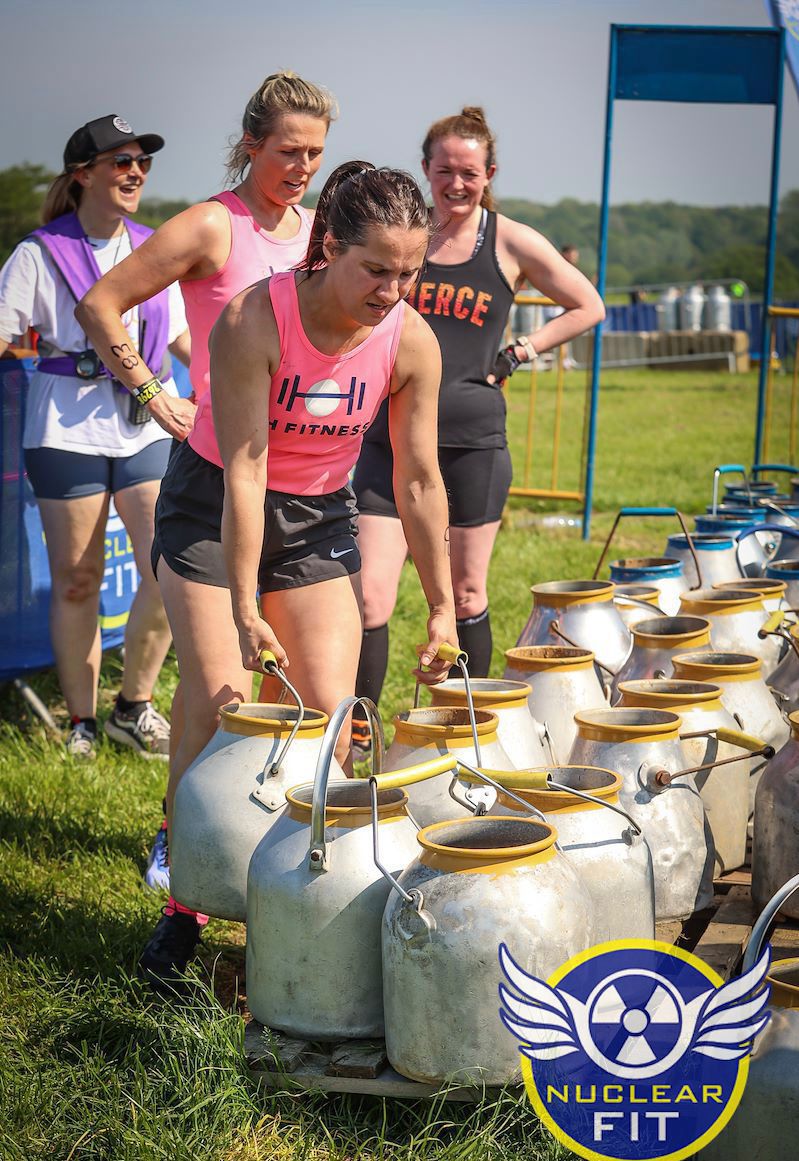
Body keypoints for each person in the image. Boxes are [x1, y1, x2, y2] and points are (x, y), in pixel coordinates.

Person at [85, 159, 457, 988]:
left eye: (409, 271)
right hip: (214, 505)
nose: (392, 288)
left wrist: (441, 609)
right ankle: (185, 906)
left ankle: (302, 909)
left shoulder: (411, 340)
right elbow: (246, 469)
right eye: (376, 269)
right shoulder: (256, 317)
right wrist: (246, 602)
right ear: (330, 245)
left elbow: (420, 479)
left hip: (317, 521)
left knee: (327, 719)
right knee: (228, 707)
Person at [78, 71, 335, 893]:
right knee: (220, 689)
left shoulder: (322, 233)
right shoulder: (208, 227)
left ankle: (266, 840)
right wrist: (154, 394)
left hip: (299, 491)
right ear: (251, 142)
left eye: (316, 154)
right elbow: (101, 304)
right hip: (214, 482)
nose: (302, 167)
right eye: (288, 150)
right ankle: (179, 836)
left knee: (291, 688)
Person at [351, 108, 605, 755]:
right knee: (370, 592)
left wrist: (525, 346)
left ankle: (470, 736)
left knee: (465, 591)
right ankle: (357, 736)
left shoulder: (510, 241)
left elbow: (587, 304)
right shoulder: (403, 239)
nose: (455, 184)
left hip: (471, 441)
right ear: (425, 170)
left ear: (488, 174)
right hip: (388, 438)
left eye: (469, 172)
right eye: (444, 170)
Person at [0, 114, 191, 761]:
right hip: (65, 430)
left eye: (142, 162)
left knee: (168, 567)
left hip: (146, 425)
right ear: (82, 175)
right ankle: (81, 720)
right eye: (120, 161)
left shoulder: (153, 245)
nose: (135, 172)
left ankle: (133, 706)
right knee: (77, 579)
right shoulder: (38, 251)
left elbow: (182, 340)